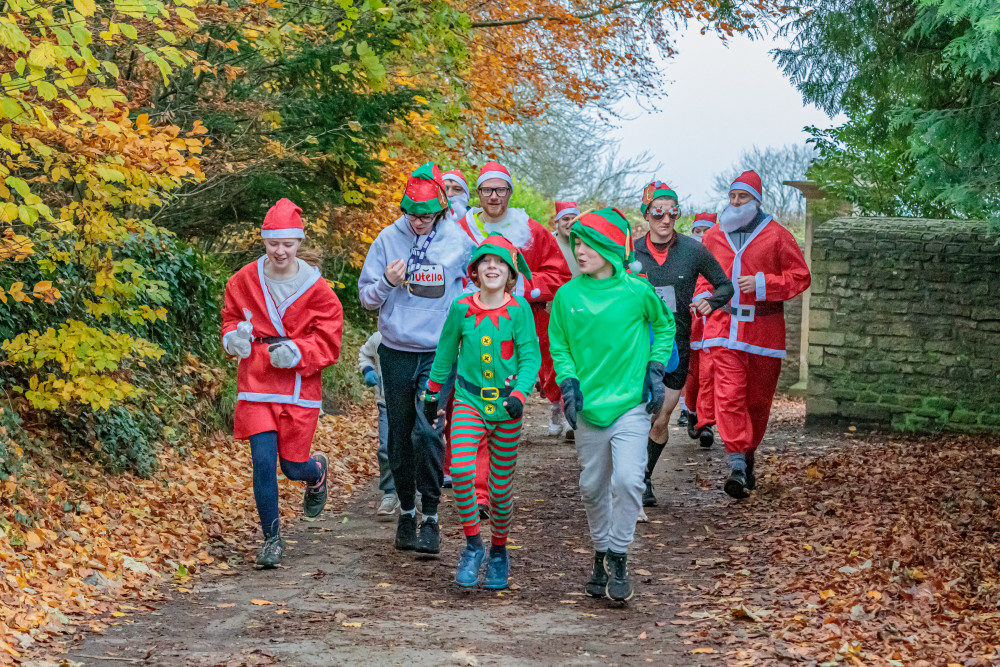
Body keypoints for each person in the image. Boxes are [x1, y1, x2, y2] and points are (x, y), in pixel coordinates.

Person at [549, 207, 675, 602]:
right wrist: (568, 383)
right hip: (589, 408)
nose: (579, 250)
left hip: (630, 406)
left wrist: (655, 368)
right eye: (577, 243)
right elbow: (560, 344)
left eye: (587, 244)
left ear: (607, 245)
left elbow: (666, 325)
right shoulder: (568, 296)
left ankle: (618, 556)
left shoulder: (637, 291)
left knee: (628, 481)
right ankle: (601, 551)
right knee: (591, 487)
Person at [221, 199, 343, 569]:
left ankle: (315, 472)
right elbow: (229, 318)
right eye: (274, 243)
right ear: (264, 241)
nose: (280, 251)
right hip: (257, 381)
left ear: (298, 243)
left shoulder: (318, 288)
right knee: (262, 462)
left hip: (297, 387)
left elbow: (330, 339)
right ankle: (271, 539)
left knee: (291, 466)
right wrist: (234, 339)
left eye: (288, 244)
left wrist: (298, 350)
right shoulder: (243, 280)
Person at [358, 161, 466, 554]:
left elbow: (479, 289)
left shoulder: (459, 241)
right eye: (411, 214)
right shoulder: (387, 239)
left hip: (438, 353)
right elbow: (366, 297)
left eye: (425, 215)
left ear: (439, 210)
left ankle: (432, 516)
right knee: (399, 438)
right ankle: (406, 512)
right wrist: (387, 280)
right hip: (396, 350)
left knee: (429, 432)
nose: (417, 222)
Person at [424, 233, 541, 590]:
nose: (493, 267)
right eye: (485, 262)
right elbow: (445, 353)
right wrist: (432, 393)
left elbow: (531, 357)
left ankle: (500, 551)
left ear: (510, 273)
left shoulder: (519, 310)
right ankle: (474, 545)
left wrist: (520, 394)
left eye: (500, 262)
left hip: (506, 408)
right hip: (468, 401)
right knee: (459, 467)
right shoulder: (461, 307)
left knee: (500, 489)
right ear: (474, 271)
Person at [456, 162, 572, 518]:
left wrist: (521, 286)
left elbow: (560, 274)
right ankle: (477, 493)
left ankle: (494, 492)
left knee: (502, 408)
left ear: (509, 192)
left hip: (519, 325)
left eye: (501, 189)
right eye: (487, 190)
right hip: (469, 326)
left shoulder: (531, 230)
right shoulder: (460, 229)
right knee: (472, 405)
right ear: (478, 194)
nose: (494, 196)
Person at [696, 170, 810, 499]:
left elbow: (800, 276)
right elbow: (704, 277)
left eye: (742, 197)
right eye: (731, 197)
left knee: (757, 403)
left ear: (756, 201)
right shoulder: (714, 236)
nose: (734, 202)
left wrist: (763, 284)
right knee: (729, 397)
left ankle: (747, 458)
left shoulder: (777, 236)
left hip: (763, 332)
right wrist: (702, 297)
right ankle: (735, 464)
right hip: (722, 329)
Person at [633, 184, 733, 509]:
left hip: (675, 346)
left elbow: (725, 285)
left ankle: (644, 475)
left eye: (672, 212)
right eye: (657, 212)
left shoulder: (692, 250)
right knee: (635, 415)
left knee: (660, 418)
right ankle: (635, 479)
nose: (665, 218)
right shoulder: (630, 253)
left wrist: (710, 301)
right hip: (635, 346)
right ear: (646, 214)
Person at [682, 213, 718, 438]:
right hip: (690, 320)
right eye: (698, 231)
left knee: (709, 370)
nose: (703, 235)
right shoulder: (683, 255)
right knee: (693, 372)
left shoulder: (721, 255)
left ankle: (706, 423)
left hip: (713, 321)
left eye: (707, 231)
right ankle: (692, 411)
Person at [358, 331, 400, 519]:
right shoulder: (379, 337)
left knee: (415, 445)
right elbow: (365, 354)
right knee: (385, 447)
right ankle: (390, 493)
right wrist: (368, 370)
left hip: (415, 402)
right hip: (386, 402)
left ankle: (415, 492)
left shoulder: (420, 334)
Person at [552, 201, 582, 278]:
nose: (570, 223)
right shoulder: (548, 244)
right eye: (565, 219)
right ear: (557, 222)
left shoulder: (585, 244)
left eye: (574, 219)